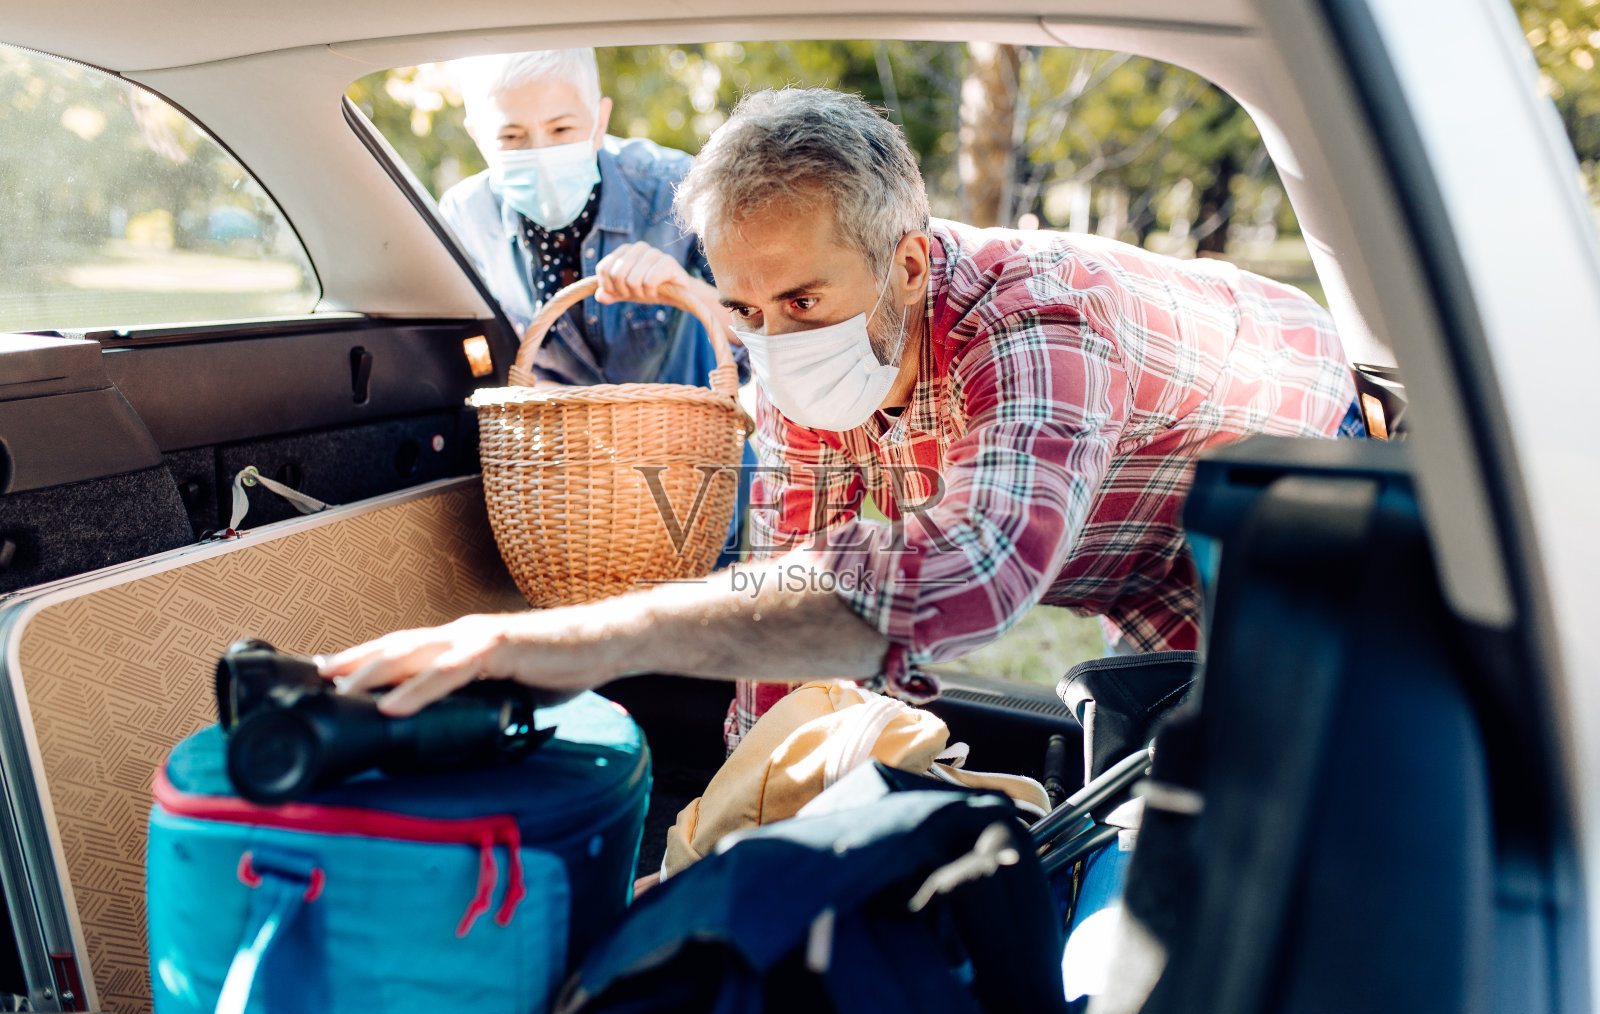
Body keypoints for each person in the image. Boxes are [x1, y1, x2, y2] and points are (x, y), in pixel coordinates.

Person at [324, 87, 1359, 751]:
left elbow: (972, 568)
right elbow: (791, 577)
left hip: (1294, 496)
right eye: (743, 310)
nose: (772, 343)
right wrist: (735, 814)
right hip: (1126, 550)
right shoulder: (797, 363)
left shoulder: (1040, 316)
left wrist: (587, 640)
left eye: (804, 303)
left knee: (1269, 825)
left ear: (906, 262)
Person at [440, 48, 739, 389]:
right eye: (510, 137)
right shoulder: (466, 218)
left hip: (693, 435)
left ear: (599, 121)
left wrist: (683, 289)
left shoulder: (675, 186)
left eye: (561, 129)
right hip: (556, 440)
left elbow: (761, 330)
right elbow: (468, 359)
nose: (540, 154)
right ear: (478, 137)